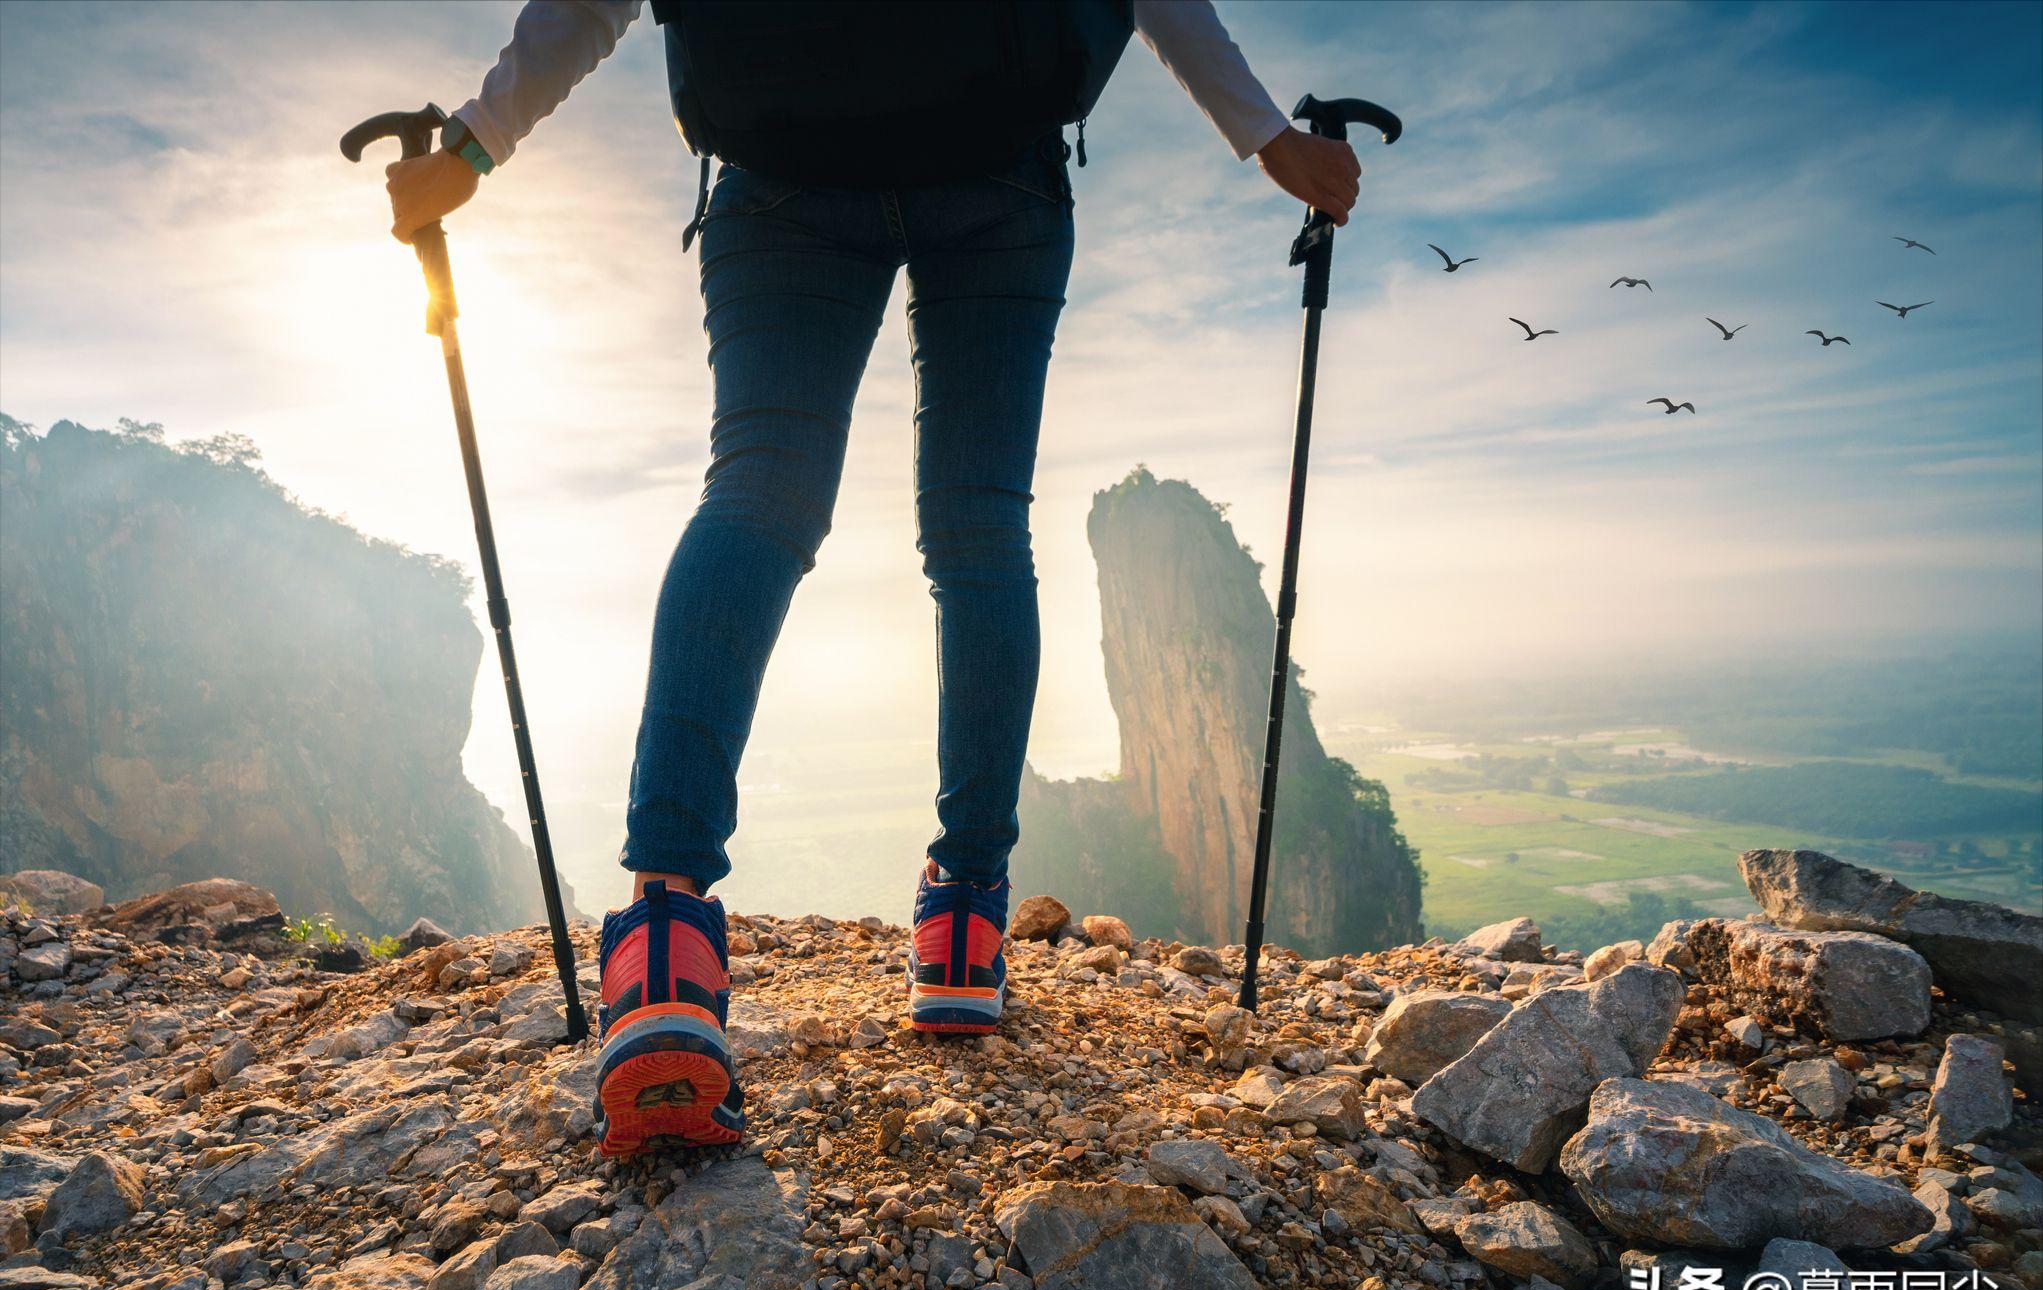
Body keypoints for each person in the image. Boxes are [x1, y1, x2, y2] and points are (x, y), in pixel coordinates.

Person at [387, 0, 1362, 1158]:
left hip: (783, 163)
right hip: (996, 166)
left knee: (756, 498)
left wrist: (474, 143)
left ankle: (663, 950)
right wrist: (1269, 138)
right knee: (979, 532)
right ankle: (964, 928)